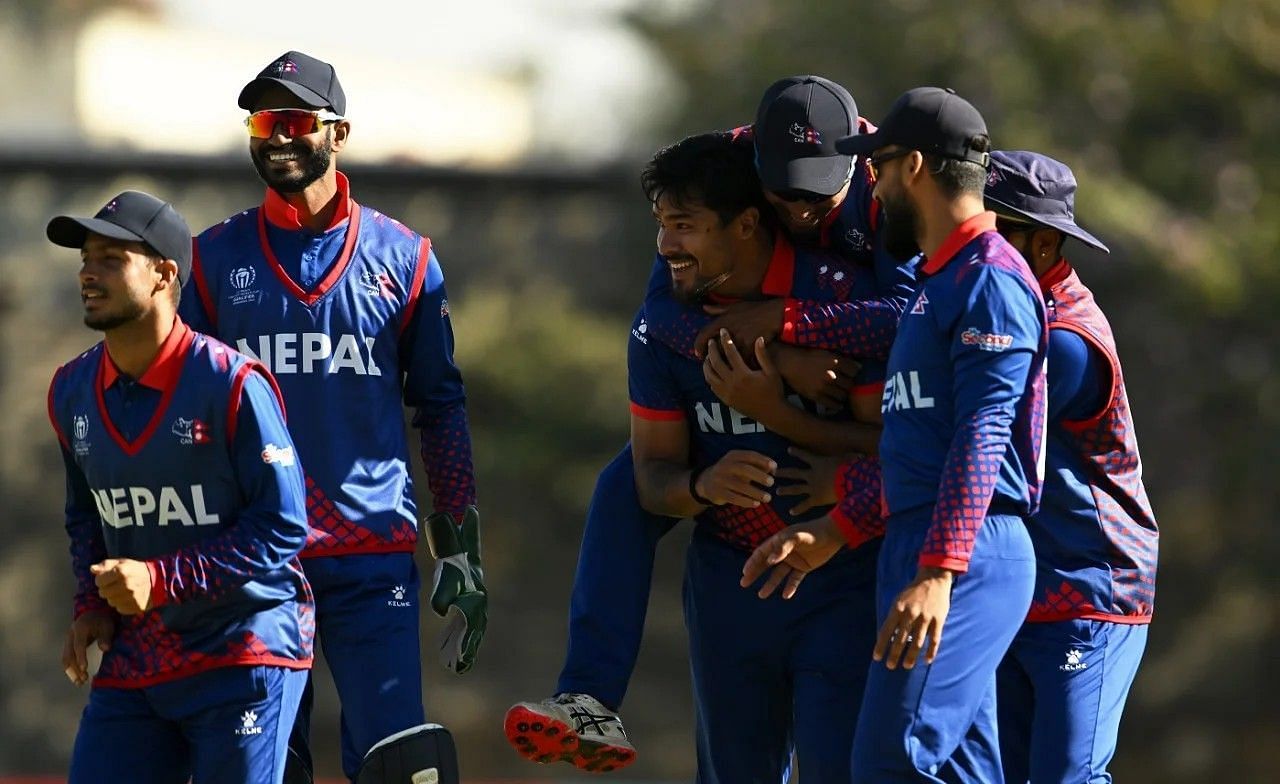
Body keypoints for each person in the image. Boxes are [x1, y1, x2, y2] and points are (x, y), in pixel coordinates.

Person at [504, 76, 913, 773]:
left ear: (860, 166)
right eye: (789, 194)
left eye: (824, 194)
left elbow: (914, 322)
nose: (807, 211)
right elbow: (659, 317)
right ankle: (588, 698)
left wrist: (788, 342)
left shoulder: (881, 200)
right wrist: (771, 364)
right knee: (622, 486)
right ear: (756, 178)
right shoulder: (712, 181)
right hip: (733, 577)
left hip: (845, 561)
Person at [180, 51, 481, 784]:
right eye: (261, 122)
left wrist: (461, 542)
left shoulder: (405, 258)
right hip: (256, 562)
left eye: (293, 121)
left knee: (396, 765)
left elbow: (437, 404)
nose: (276, 139)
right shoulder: (213, 259)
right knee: (261, 770)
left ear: (337, 133)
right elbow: (186, 415)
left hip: (372, 558)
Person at [746, 87, 1049, 781]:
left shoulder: (990, 281)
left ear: (912, 166)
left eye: (876, 171)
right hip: (917, 541)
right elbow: (919, 449)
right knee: (958, 771)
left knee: (891, 761)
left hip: (966, 552)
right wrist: (839, 529)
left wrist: (940, 573)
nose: (872, 193)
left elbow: (983, 434)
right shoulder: (933, 288)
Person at [46, 190, 313, 784]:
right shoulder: (70, 390)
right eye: (85, 258)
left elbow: (283, 526)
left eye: (111, 259)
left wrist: (160, 579)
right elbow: (86, 516)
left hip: (243, 649)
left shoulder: (232, 384)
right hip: (140, 656)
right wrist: (92, 604)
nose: (89, 273)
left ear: (165, 273)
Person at [985, 150, 1159, 784]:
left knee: (1068, 776)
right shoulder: (1004, 310)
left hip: (1090, 588)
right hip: (1021, 592)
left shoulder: (1066, 339)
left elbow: (970, 431)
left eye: (1003, 230)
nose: (988, 247)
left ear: (1045, 241)